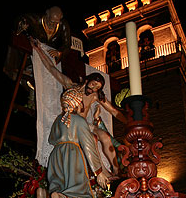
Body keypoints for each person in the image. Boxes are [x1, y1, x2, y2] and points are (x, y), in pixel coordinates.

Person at [30, 37, 126, 178]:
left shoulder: (94, 96)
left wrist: (129, 124)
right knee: (92, 138)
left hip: (85, 124)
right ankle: (102, 171)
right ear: (87, 80)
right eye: (93, 84)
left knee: (105, 136)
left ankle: (116, 170)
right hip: (72, 125)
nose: (93, 89)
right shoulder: (70, 86)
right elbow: (51, 69)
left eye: (97, 88)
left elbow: (112, 110)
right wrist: (38, 50)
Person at [44, 88, 110, 198]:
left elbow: (51, 139)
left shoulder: (58, 120)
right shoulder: (79, 121)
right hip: (72, 154)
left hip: (56, 155)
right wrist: (98, 172)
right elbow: (88, 146)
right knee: (78, 189)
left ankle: (49, 196)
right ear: (77, 103)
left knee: (57, 182)